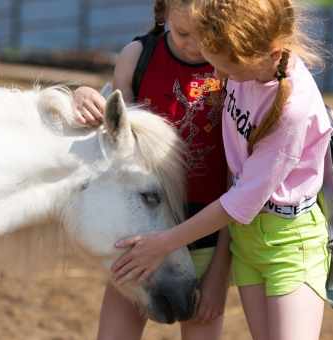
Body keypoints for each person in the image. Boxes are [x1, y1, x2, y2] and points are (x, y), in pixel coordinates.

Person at [111, 1, 332, 339]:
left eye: (226, 68)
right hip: (246, 242)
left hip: (288, 240)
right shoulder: (246, 71)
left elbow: (240, 201)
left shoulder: (292, 108)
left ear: (262, 53)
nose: (216, 77)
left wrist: (164, 244)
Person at [73, 1, 231, 339]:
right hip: (143, 228)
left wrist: (218, 276)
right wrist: (83, 95)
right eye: (183, 32)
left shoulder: (231, 67)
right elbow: (114, 133)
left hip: (207, 230)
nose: (194, 44)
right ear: (164, 14)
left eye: (206, 34)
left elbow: (238, 181)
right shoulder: (137, 56)